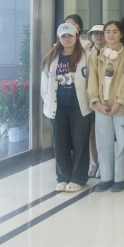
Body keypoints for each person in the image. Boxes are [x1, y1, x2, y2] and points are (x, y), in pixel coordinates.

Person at [41, 23, 92, 193]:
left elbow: (92, 80)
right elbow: (44, 86)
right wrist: (48, 102)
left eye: (70, 35)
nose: (67, 39)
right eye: (63, 36)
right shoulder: (51, 58)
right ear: (59, 38)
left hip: (80, 107)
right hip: (58, 108)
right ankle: (63, 177)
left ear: (77, 36)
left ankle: (78, 178)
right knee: (60, 144)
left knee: (80, 143)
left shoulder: (87, 56)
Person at [88, 21, 124, 193]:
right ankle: (106, 177)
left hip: (121, 107)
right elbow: (92, 80)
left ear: (121, 34)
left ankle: (120, 178)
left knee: (122, 142)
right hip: (101, 107)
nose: (110, 35)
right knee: (103, 143)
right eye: (107, 31)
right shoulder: (96, 55)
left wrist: (120, 102)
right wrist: (96, 102)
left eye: (114, 31)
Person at [86, 24, 105, 178]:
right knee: (91, 133)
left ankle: (104, 163)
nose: (98, 36)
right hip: (89, 98)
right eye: (95, 33)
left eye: (101, 33)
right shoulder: (85, 53)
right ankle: (94, 162)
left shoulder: (112, 52)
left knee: (104, 133)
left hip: (106, 99)